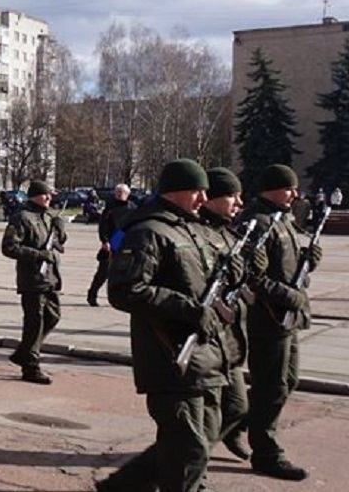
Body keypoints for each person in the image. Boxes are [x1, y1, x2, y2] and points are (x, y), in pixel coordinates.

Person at [99, 159, 226, 492]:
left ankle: (127, 485)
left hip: (206, 355)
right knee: (188, 449)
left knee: (198, 440)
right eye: (197, 191)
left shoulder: (192, 228)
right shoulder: (148, 231)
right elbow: (126, 290)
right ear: (176, 191)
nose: (203, 198)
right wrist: (188, 309)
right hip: (168, 355)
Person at [241, 164, 318, 481]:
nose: (295, 194)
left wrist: (307, 263)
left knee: (287, 381)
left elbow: (288, 272)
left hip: (287, 317)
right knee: (270, 386)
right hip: (269, 318)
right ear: (271, 189)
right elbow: (250, 278)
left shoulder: (283, 221)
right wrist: (289, 296)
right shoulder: (258, 223)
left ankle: (243, 423)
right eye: (289, 188)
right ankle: (266, 451)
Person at [197, 168, 257, 464]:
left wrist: (250, 266)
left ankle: (193, 460)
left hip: (227, 340)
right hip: (202, 340)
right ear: (211, 198)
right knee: (190, 430)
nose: (239, 203)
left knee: (236, 407)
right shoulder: (194, 232)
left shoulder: (229, 232)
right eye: (232, 195)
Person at [1, 180, 66, 384]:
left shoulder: (48, 217)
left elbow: (58, 244)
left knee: (53, 316)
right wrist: (38, 254)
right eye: (45, 194)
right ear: (34, 195)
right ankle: (31, 366)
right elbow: (9, 247)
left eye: (50, 195)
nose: (49, 198)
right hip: (32, 279)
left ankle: (23, 352)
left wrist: (60, 231)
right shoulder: (22, 218)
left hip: (50, 278)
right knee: (34, 323)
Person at [88, 184, 135, 307]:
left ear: (127, 194)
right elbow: (103, 226)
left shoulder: (133, 208)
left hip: (126, 244)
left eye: (122, 192)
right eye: (117, 192)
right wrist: (105, 241)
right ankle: (92, 295)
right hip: (110, 244)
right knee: (103, 272)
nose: (119, 194)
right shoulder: (109, 208)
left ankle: (123, 298)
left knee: (126, 274)